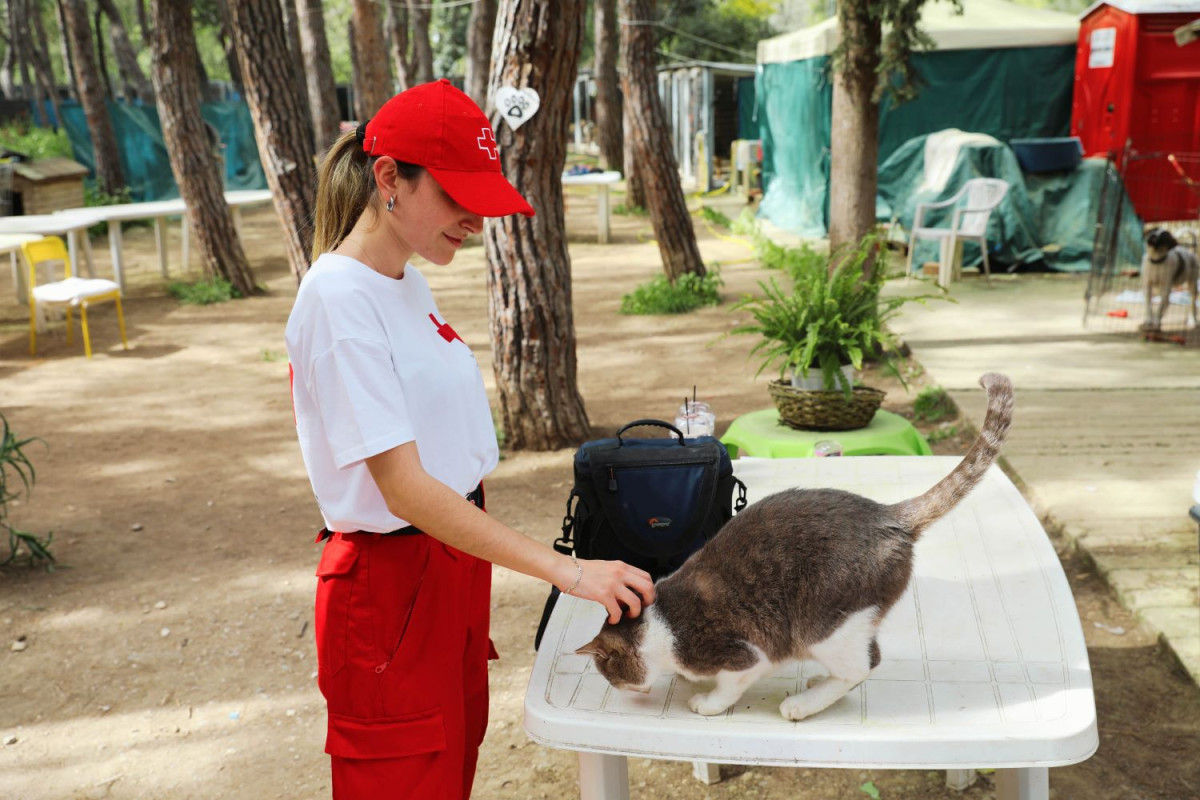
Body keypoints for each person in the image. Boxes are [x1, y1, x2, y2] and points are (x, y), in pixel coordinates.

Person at [284, 78, 655, 800]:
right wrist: (570, 572)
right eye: (456, 197)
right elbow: (404, 486)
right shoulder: (337, 298)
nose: (474, 220)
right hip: (392, 581)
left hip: (447, 568)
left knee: (451, 769)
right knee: (404, 779)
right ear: (389, 178)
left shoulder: (403, 281)